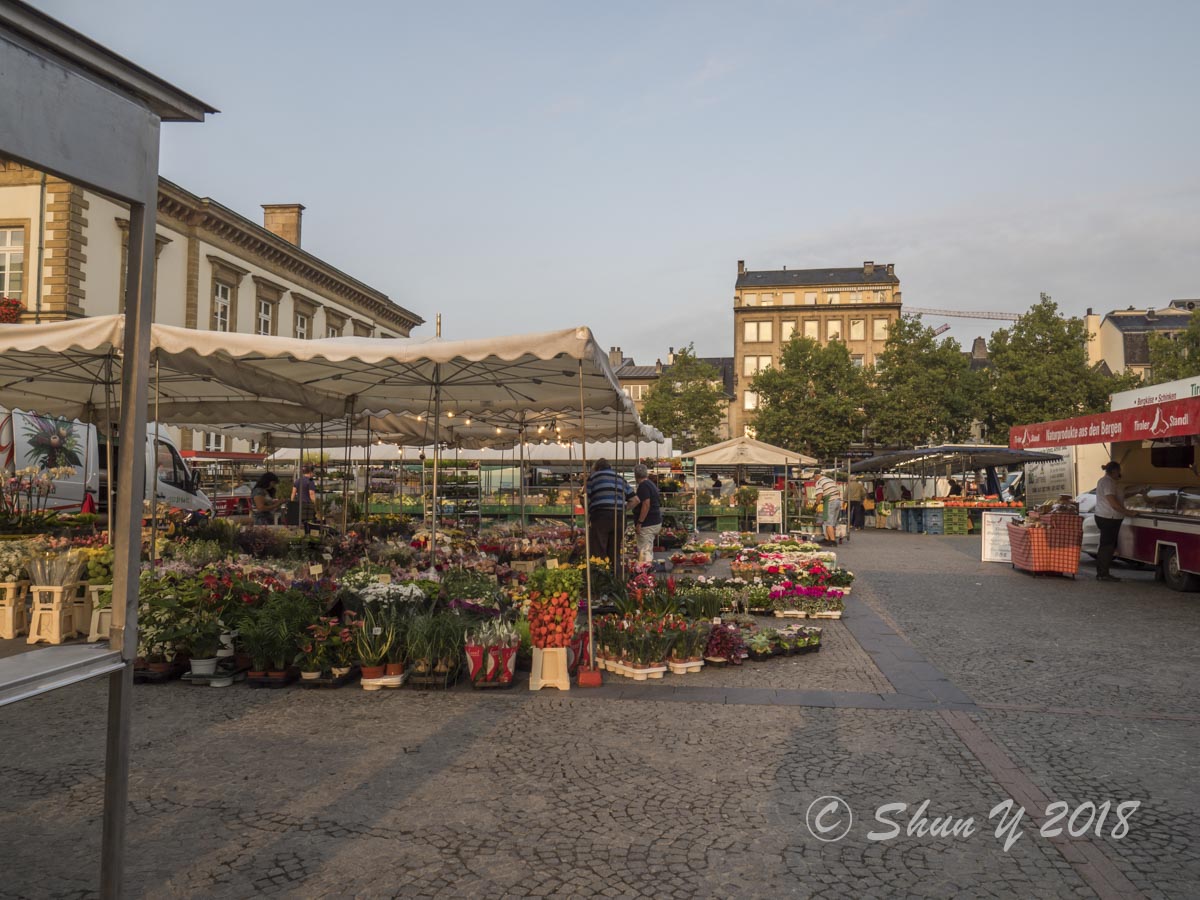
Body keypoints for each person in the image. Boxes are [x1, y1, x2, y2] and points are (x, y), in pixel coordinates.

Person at [585, 459, 636, 570]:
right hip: (619, 518)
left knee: (599, 550)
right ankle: (616, 580)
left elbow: (585, 498)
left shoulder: (593, 477)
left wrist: (589, 510)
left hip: (600, 516)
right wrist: (622, 509)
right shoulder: (620, 479)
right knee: (615, 550)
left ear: (597, 468)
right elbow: (635, 499)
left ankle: (601, 578)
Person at [1095, 461, 1133, 582]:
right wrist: (1127, 512)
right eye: (1118, 471)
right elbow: (1112, 502)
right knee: (1107, 546)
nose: (1120, 473)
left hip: (1104, 516)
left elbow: (1118, 496)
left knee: (1107, 545)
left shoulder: (1107, 481)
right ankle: (1103, 573)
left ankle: (1102, 572)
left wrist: (1137, 492)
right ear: (1114, 471)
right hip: (1109, 517)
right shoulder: (1108, 482)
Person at [631, 464, 663, 564]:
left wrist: (640, 523)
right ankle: (648, 574)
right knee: (648, 549)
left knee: (644, 551)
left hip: (647, 523)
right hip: (655, 521)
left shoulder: (643, 486)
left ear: (636, 475)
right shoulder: (650, 484)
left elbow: (646, 504)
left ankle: (644, 576)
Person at [812, 471, 842, 545]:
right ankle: (827, 538)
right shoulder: (830, 480)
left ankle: (832, 541)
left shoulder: (819, 482)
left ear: (816, 476)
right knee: (833, 521)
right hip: (837, 501)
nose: (814, 479)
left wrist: (815, 505)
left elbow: (819, 495)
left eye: (814, 478)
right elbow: (838, 492)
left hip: (830, 502)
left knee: (828, 522)